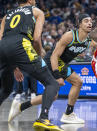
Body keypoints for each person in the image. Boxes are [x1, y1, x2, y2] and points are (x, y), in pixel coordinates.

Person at [9, 13, 96, 124]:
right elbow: (54, 56)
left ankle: (21, 106)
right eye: (86, 21)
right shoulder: (70, 35)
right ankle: (62, 115)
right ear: (79, 24)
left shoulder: (89, 40)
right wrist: (57, 76)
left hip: (62, 64)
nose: (90, 23)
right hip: (51, 61)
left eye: (91, 21)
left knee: (56, 94)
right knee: (73, 83)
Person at [0, 0, 63, 130]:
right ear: (30, 0)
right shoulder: (36, 11)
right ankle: (43, 119)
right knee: (52, 84)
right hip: (21, 45)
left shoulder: (7, 15)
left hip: (3, 48)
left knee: (6, 89)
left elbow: (1, 38)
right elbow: (36, 38)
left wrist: (14, 67)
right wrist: (39, 55)